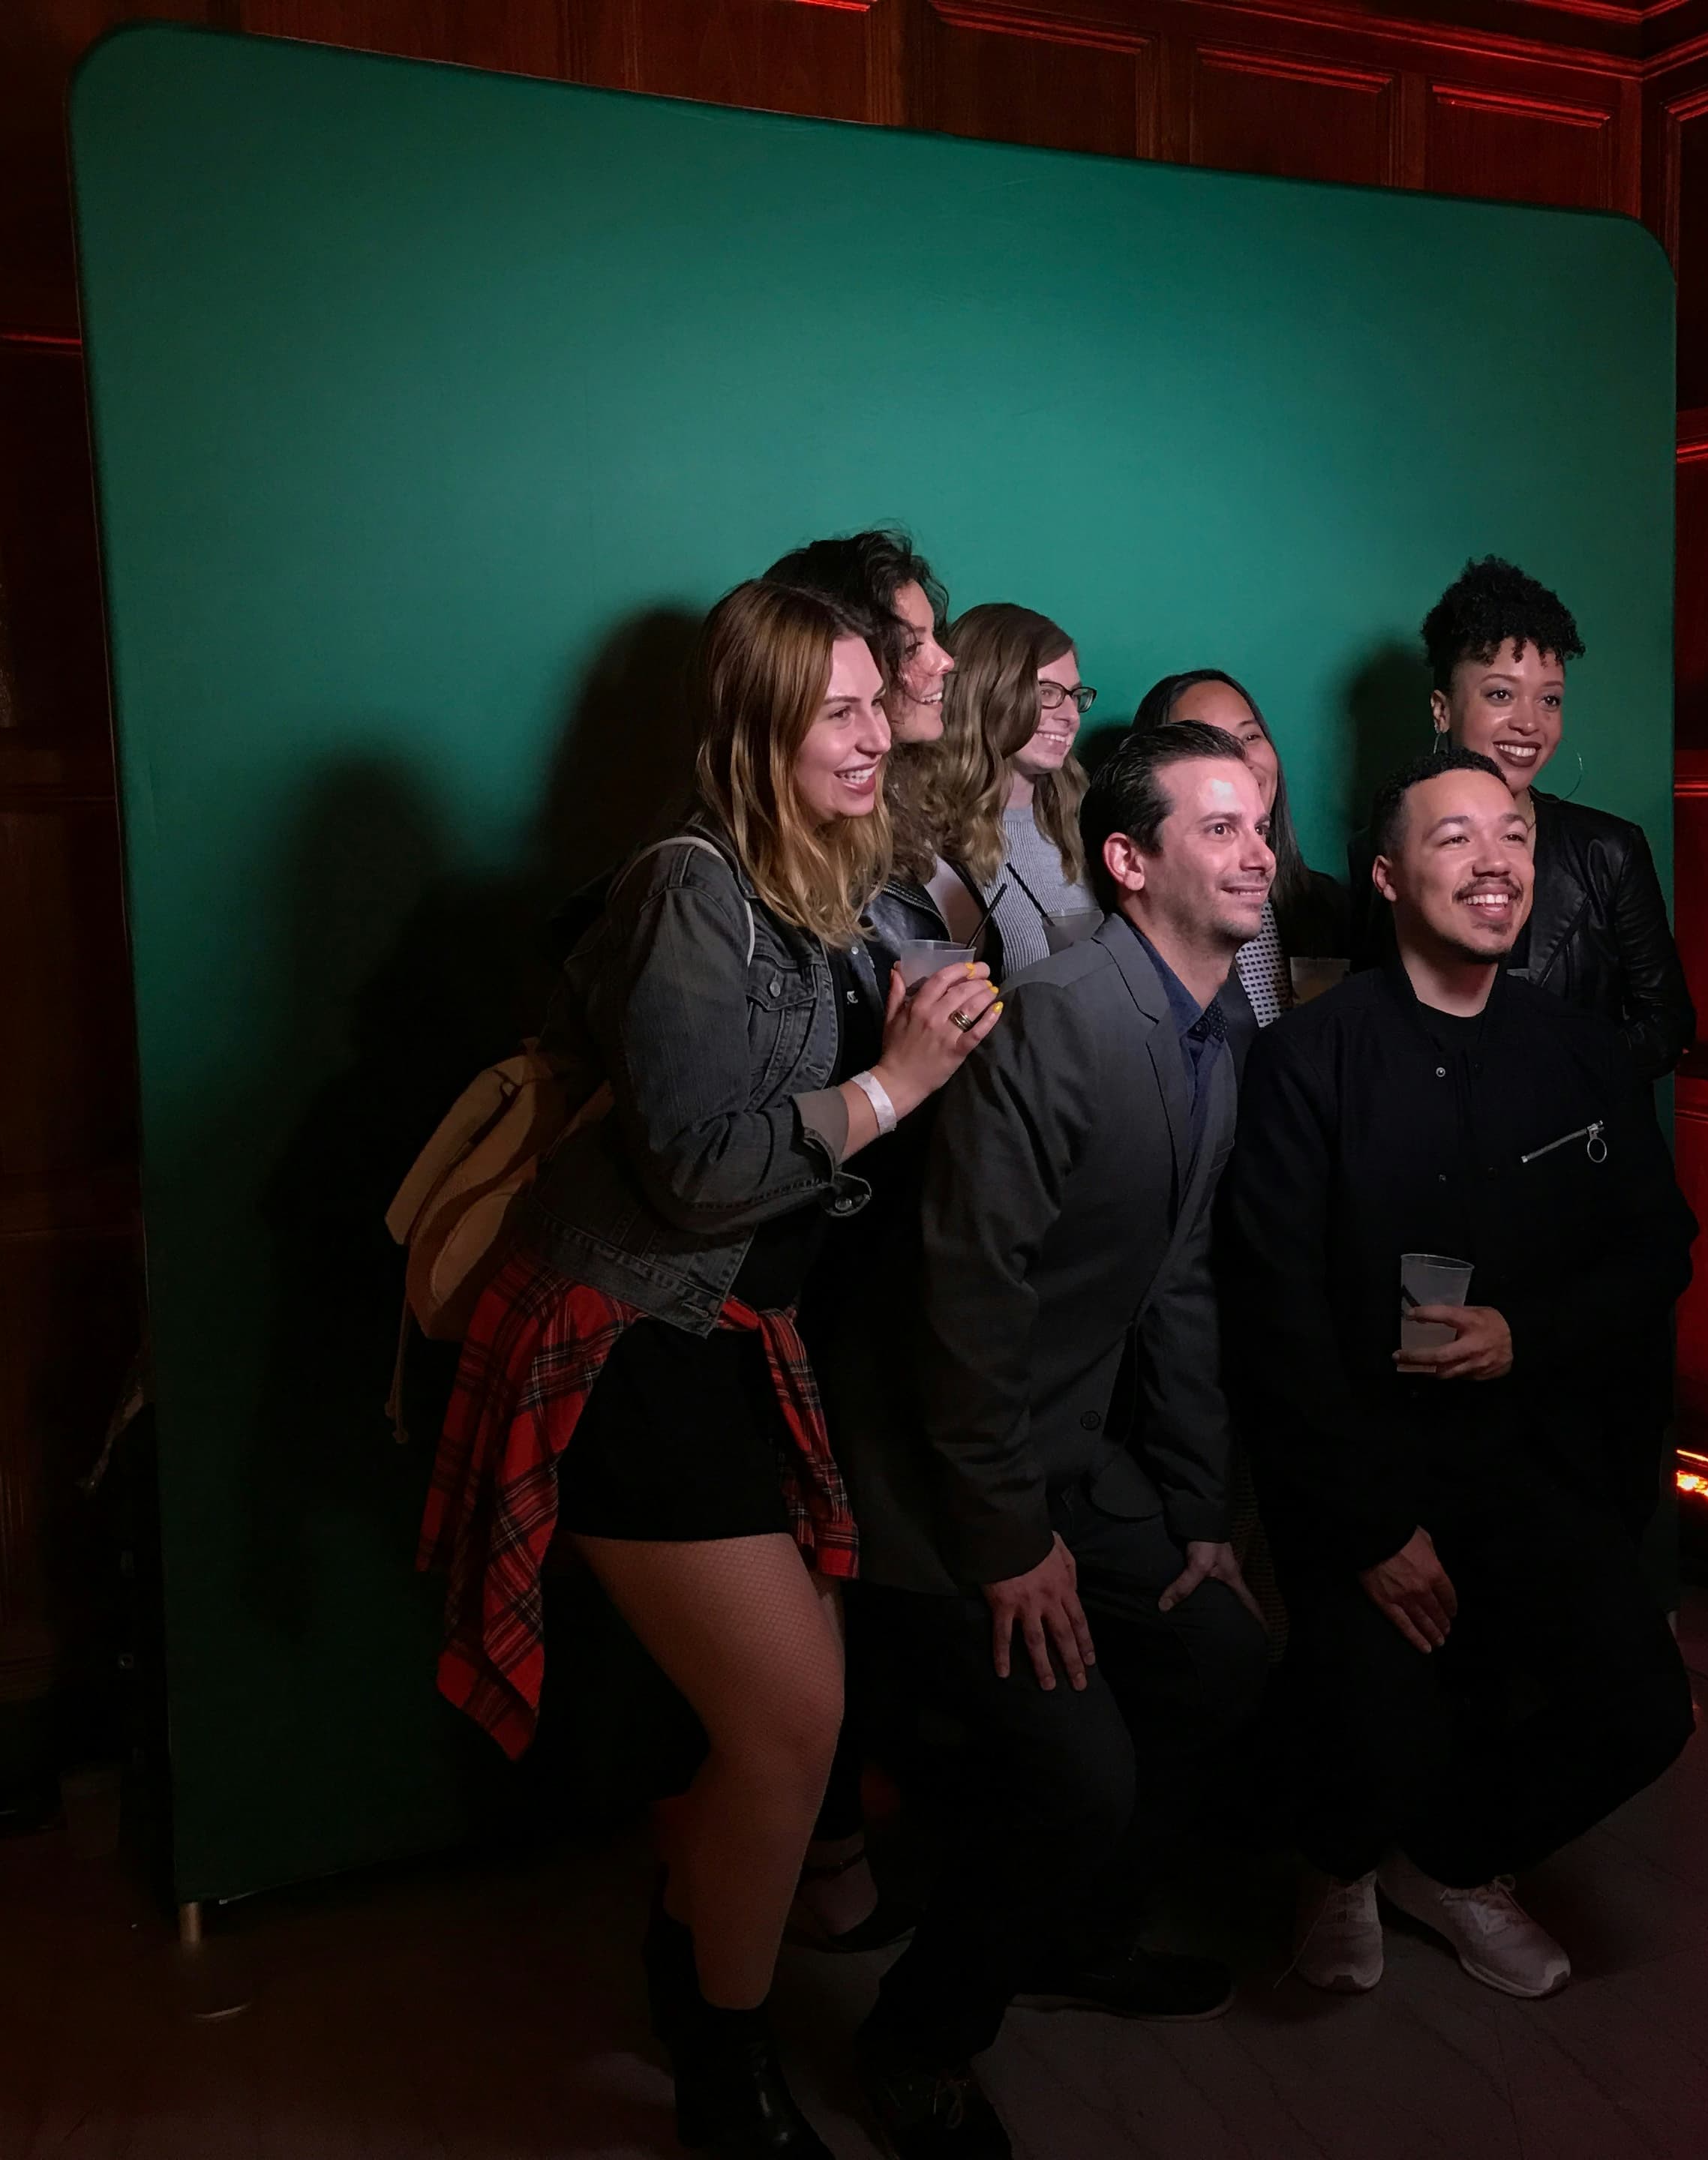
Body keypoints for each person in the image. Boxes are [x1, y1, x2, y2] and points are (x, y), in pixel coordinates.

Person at [419, 580, 1000, 2159]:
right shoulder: (691, 885)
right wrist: (895, 1082)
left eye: (879, 702)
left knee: (779, 1732)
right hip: (622, 1344)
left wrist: (898, 1032)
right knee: (788, 1727)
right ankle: (727, 2083)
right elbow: (689, 1166)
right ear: (753, 729)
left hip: (733, 1340)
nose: (874, 734)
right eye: (837, 712)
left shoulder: (818, 875)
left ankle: (698, 1995)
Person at [850, 722, 1277, 2160]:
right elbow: (961, 1299)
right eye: (1215, 827)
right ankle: (916, 2040)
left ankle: (1077, 1940)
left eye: (1259, 823)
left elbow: (1179, 1283)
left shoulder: (1210, 1028)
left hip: (1073, 1462)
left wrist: (1202, 1505)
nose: (1256, 849)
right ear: (1127, 858)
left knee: (1221, 1655)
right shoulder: (1056, 1016)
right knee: (1076, 1774)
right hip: (948, 1487)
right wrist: (1009, 1540)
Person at [1225, 745, 1699, 2002]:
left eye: (1513, 838)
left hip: (1533, 1465)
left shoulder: (1582, 1055)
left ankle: (1453, 1857)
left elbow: (1662, 1252)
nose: (1494, 864)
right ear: (1385, 878)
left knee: (1645, 1709)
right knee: (1374, 1725)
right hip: (1361, 1480)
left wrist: (1526, 1334)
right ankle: (1337, 1861)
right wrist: (1372, 1527)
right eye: (1455, 840)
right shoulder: (1306, 1063)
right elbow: (1271, 1317)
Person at [766, 530, 971, 1954]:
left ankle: (874, 1827)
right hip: (796, 1287)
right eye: (916, 639)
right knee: (819, 1569)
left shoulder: (902, 839)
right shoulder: (758, 874)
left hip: (906, 1269)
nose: (940, 662)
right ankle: (819, 1847)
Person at [1356, 556, 1694, 1080]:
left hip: (1580, 1149)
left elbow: (1666, 1025)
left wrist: (1547, 1081)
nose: (1529, 723)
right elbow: (1369, 1018)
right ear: (1441, 709)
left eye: (1550, 700)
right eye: (1499, 694)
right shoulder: (1381, 852)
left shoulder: (1608, 851)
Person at [767, 530, 986, 967]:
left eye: (934, 637)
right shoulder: (815, 838)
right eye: (911, 646)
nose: (946, 662)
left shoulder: (919, 794)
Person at [1131, 669, 1349, 1028]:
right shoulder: (1147, 925)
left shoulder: (1326, 904)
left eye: (1250, 735)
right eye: (1210, 743)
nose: (1241, 760)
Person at [914, 603, 1096, 975]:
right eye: (1047, 693)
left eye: (1075, 696)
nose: (1070, 716)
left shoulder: (1086, 823)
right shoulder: (924, 844)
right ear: (984, 695)